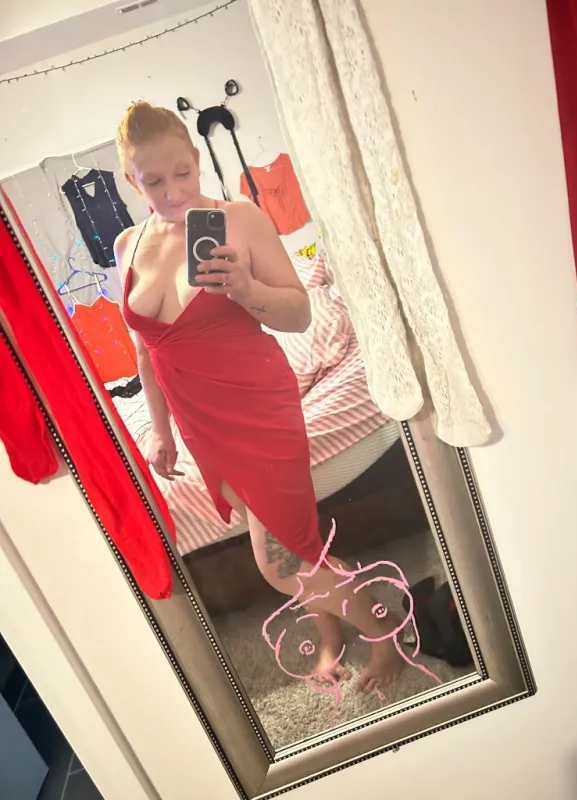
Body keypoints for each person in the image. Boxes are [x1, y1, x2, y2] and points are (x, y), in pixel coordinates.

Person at [114, 101, 404, 693]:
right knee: (292, 544)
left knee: (278, 561)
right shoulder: (127, 245)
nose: (173, 191)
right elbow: (146, 353)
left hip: (256, 406)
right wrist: (160, 431)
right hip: (199, 424)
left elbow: (298, 314)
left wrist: (246, 288)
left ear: (197, 160)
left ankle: (387, 633)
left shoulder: (238, 219)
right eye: (154, 180)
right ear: (130, 180)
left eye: (182, 172)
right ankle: (330, 635)